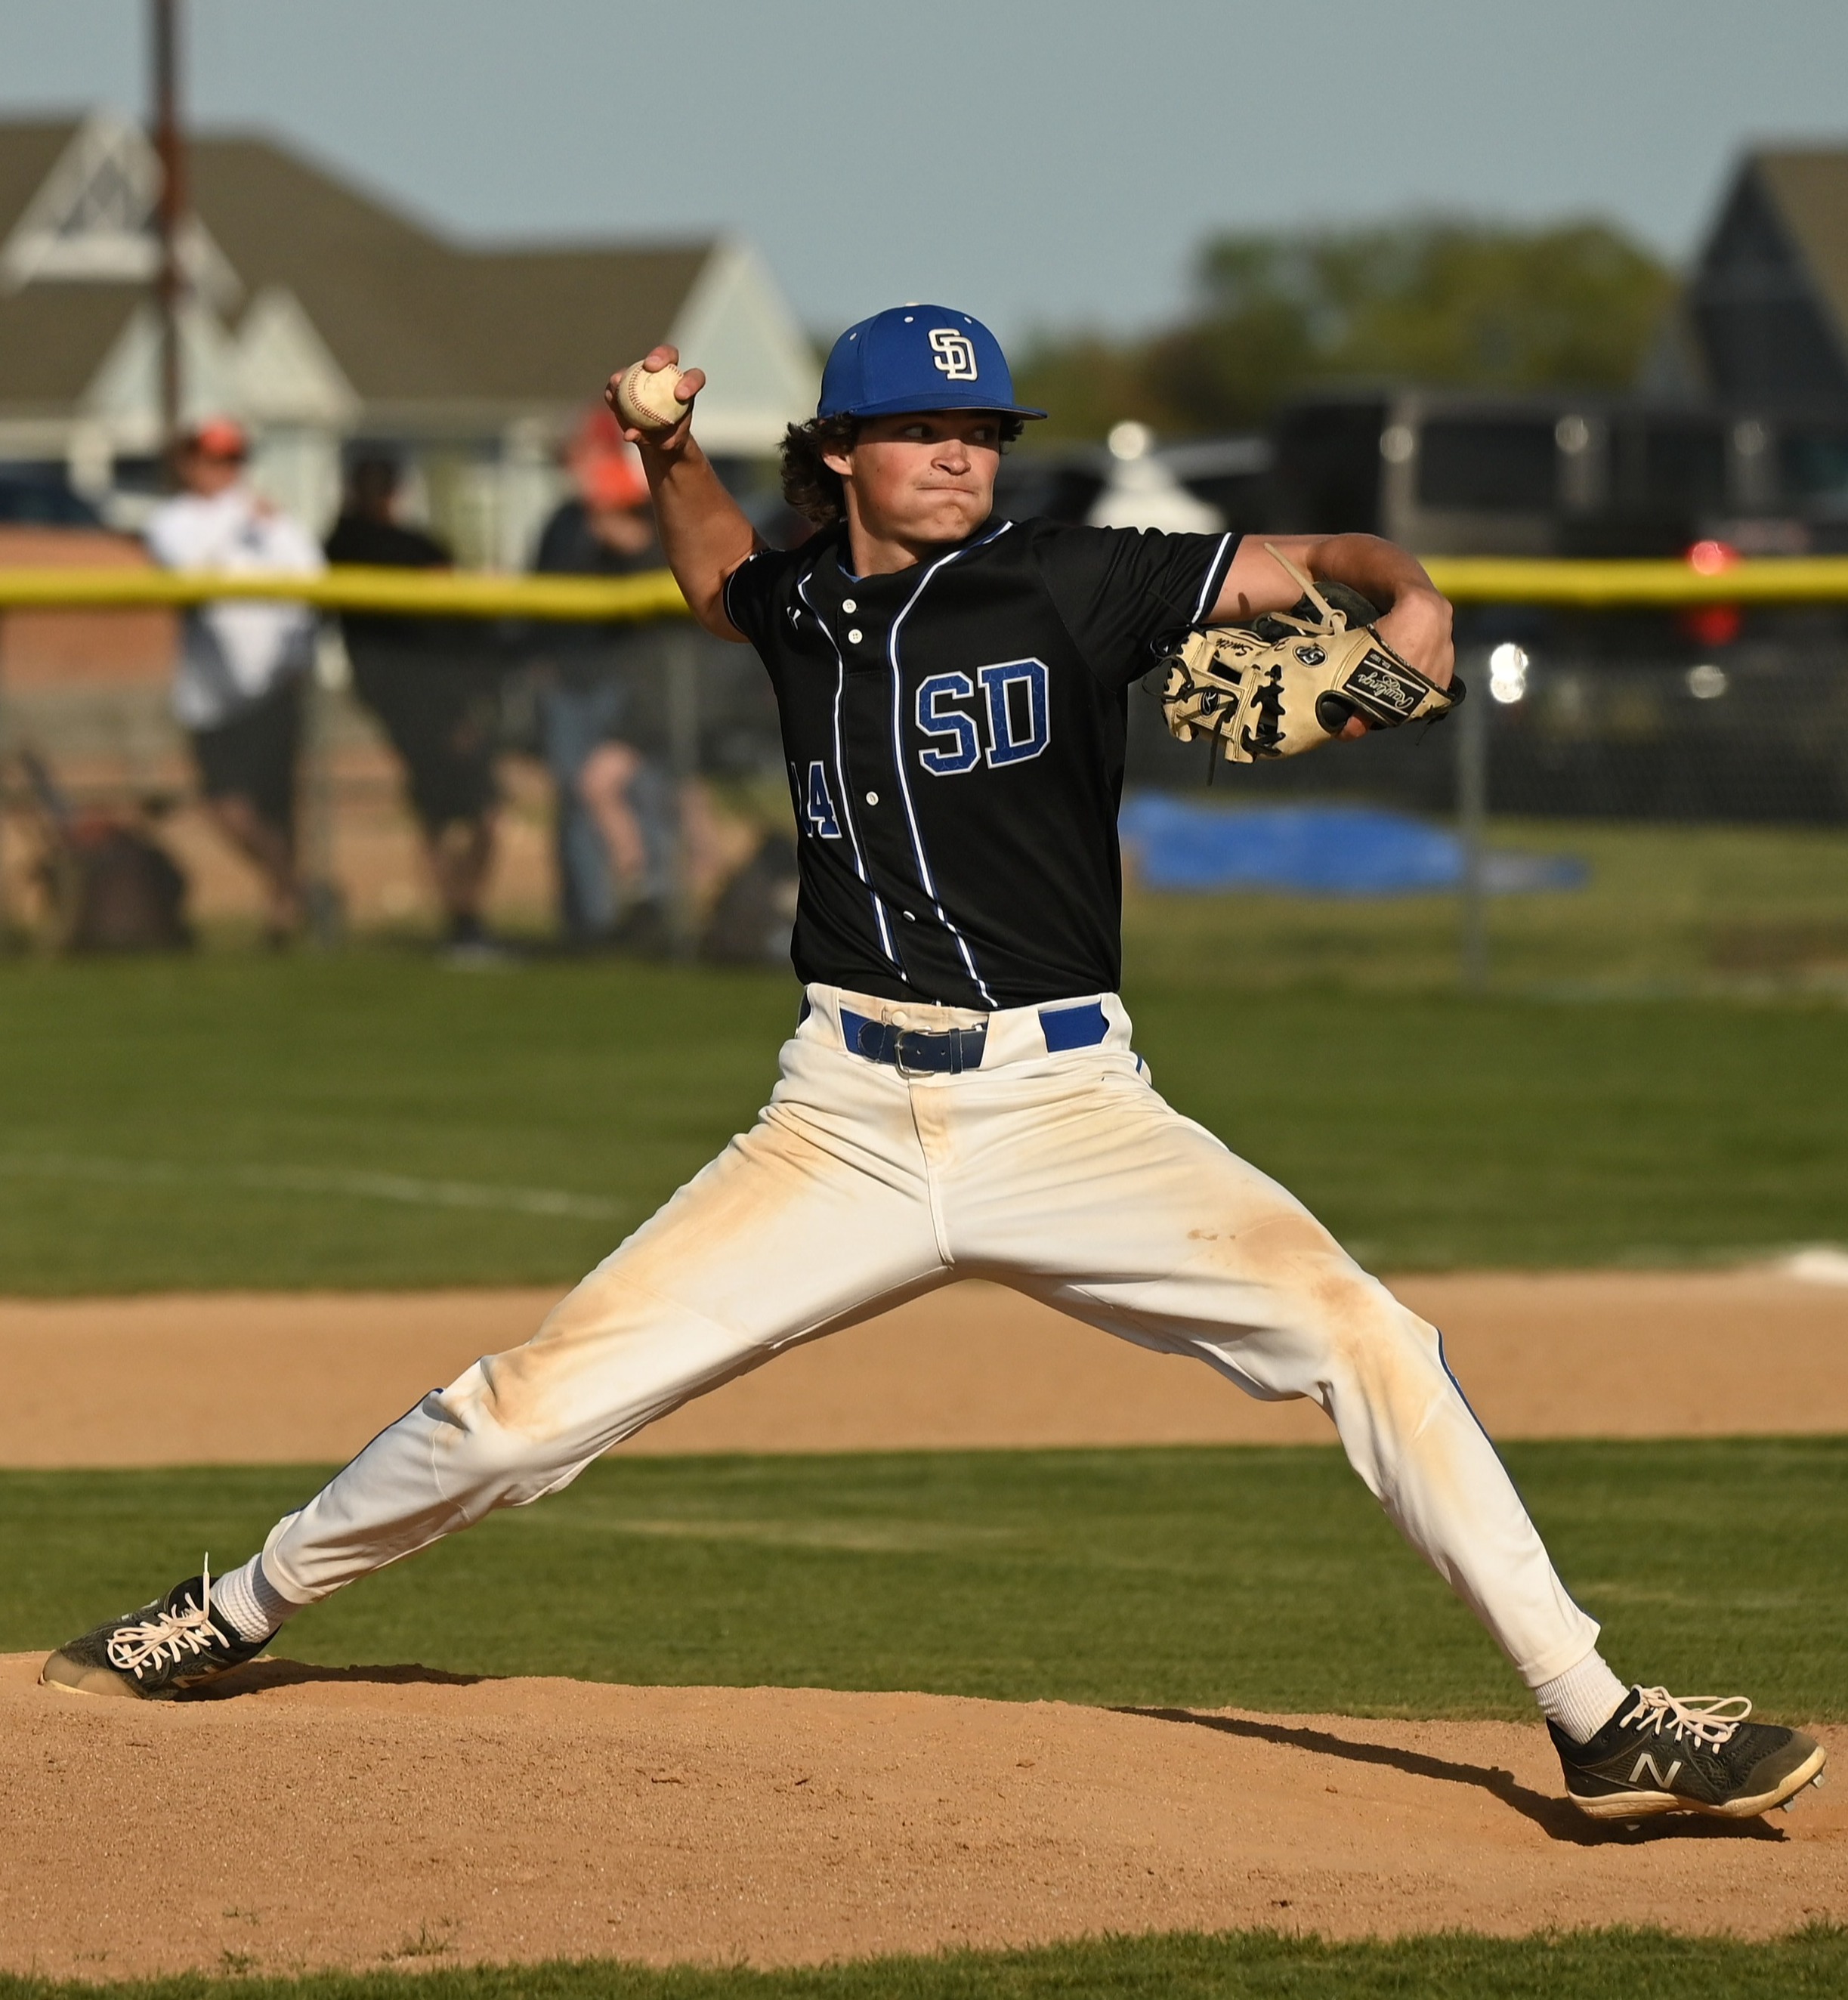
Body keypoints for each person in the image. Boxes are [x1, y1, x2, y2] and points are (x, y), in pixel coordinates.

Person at [45, 310, 1825, 1827]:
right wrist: (663, 446)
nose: (962, 454)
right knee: (529, 1411)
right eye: (924, 429)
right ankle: (243, 1604)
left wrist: (1409, 601)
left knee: (1371, 1340)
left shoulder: (1079, 573)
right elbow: (707, 580)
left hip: (1073, 1112)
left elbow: (1323, 568)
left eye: (978, 427)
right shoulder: (804, 606)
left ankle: (1594, 1715)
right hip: (840, 1121)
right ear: (840, 455)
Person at [144, 418, 323, 945]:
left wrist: (299, 656)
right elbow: (189, 570)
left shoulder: (275, 523)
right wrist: (237, 516)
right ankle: (297, 888)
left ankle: (283, 917)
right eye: (214, 459)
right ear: (187, 463)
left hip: (272, 687)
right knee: (227, 807)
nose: (225, 472)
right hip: (212, 695)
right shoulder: (173, 521)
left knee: (276, 806)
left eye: (234, 460)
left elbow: (310, 582)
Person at [325, 456, 504, 962]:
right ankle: (462, 920)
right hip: (423, 699)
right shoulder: (349, 546)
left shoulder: (400, 546)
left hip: (438, 695)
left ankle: (464, 917)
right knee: (454, 813)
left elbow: (459, 620)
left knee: (472, 814)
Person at [530, 428, 676, 952]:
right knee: (577, 799)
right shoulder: (563, 523)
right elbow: (539, 592)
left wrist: (620, 531)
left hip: (625, 684)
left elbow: (658, 575)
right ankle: (588, 922)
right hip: (567, 682)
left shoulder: (639, 520)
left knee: (639, 795)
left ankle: (655, 916)